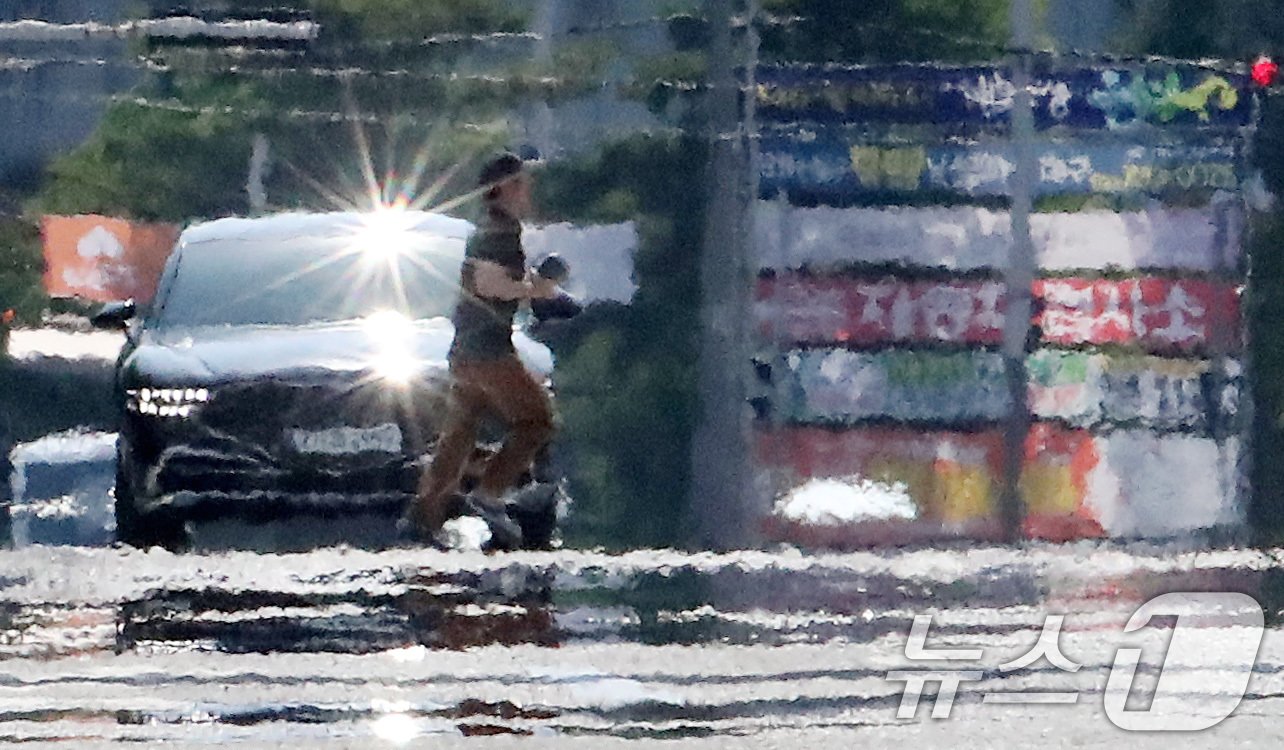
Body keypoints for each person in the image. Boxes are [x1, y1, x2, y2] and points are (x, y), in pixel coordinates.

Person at [404, 153, 560, 550]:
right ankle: (489, 494)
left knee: (457, 440)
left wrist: (532, 284)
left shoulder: (491, 230)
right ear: (505, 187)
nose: (528, 192)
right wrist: (532, 290)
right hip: (489, 353)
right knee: (537, 421)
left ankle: (422, 521)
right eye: (522, 184)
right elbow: (488, 282)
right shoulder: (499, 231)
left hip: (463, 354)